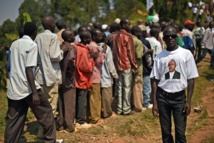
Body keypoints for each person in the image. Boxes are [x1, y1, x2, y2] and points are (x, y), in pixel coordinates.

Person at [4, 22, 56, 143]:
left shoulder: (14, 44)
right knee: (47, 113)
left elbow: (10, 66)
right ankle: (50, 140)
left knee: (13, 121)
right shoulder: (32, 45)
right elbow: (29, 69)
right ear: (34, 32)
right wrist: (34, 93)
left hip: (14, 88)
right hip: (28, 88)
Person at [150, 26, 199, 143]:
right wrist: (155, 103)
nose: (170, 38)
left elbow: (191, 78)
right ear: (164, 39)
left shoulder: (186, 54)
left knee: (180, 133)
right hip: (163, 98)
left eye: (173, 36)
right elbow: (155, 80)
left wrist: (188, 101)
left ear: (177, 37)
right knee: (166, 133)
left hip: (179, 98)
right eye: (167, 36)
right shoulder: (160, 57)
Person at [35, 16, 67, 138]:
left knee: (43, 106)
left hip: (40, 76)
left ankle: (42, 131)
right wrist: (62, 50)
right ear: (52, 25)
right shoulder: (53, 37)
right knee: (51, 106)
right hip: (51, 75)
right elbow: (54, 56)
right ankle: (46, 133)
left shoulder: (38, 37)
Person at [112, 18, 138, 115]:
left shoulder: (114, 36)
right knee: (126, 88)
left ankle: (119, 109)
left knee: (119, 87)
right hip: (126, 65)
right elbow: (130, 53)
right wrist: (134, 65)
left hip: (117, 65)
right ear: (123, 25)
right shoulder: (128, 36)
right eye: (128, 24)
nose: (130, 26)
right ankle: (126, 109)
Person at [74, 30, 95, 129]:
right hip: (82, 78)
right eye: (89, 37)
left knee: (76, 99)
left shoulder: (75, 47)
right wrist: (91, 61)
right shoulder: (83, 50)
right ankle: (80, 121)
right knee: (82, 100)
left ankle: (75, 118)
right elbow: (86, 67)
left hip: (75, 78)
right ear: (85, 38)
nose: (91, 39)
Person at [57, 30, 76, 133]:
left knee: (60, 103)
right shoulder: (71, 47)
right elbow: (71, 60)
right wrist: (72, 71)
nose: (74, 36)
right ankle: (69, 126)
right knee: (69, 103)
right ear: (69, 38)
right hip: (68, 78)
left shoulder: (59, 47)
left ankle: (60, 125)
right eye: (73, 35)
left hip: (59, 78)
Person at [131, 26, 145, 112]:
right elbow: (139, 56)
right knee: (138, 87)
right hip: (137, 68)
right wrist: (147, 52)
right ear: (136, 33)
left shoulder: (128, 40)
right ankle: (138, 106)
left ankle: (132, 104)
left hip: (129, 67)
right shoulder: (138, 42)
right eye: (140, 32)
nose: (141, 34)